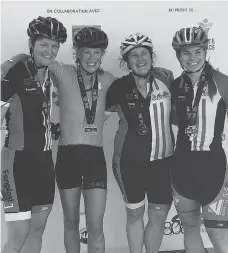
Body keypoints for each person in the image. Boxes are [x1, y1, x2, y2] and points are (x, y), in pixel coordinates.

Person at [2, 27, 173, 253]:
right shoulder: (61, 71)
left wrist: (161, 74)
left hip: (95, 158)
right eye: (86, 52)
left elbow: (135, 84)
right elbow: (33, 59)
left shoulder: (110, 80)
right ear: (77, 53)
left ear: (103, 55)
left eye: (97, 53)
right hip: (67, 157)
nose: (92, 58)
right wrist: (14, 60)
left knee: (95, 225)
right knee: (71, 222)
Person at [1, 16, 67, 253]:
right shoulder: (12, 74)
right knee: (18, 234)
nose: (50, 51)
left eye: (55, 46)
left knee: (37, 230)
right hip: (16, 162)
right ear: (32, 44)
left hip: (44, 161)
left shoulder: (53, 74)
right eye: (44, 44)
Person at [105, 33, 174, 253]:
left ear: (152, 56)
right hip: (128, 163)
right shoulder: (117, 87)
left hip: (163, 163)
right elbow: (96, 119)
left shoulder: (168, 80)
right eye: (133, 55)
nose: (140, 59)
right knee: (134, 215)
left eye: (144, 53)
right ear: (126, 62)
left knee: (158, 215)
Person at [171, 26, 228, 253]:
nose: (192, 58)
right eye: (186, 53)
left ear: (206, 52)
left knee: (217, 231)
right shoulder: (175, 86)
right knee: (190, 228)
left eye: (197, 51)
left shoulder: (222, 82)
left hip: (213, 166)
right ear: (178, 56)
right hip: (182, 165)